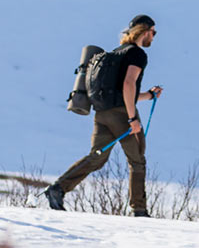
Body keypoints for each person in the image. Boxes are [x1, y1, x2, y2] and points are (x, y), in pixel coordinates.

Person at [42, 15, 163, 216]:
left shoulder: (115, 53)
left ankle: (58, 189)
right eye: (154, 32)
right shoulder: (137, 54)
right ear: (145, 31)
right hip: (122, 114)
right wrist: (132, 119)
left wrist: (149, 95)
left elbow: (124, 91)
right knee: (137, 161)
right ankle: (139, 210)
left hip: (102, 114)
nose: (154, 37)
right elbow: (128, 85)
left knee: (96, 158)